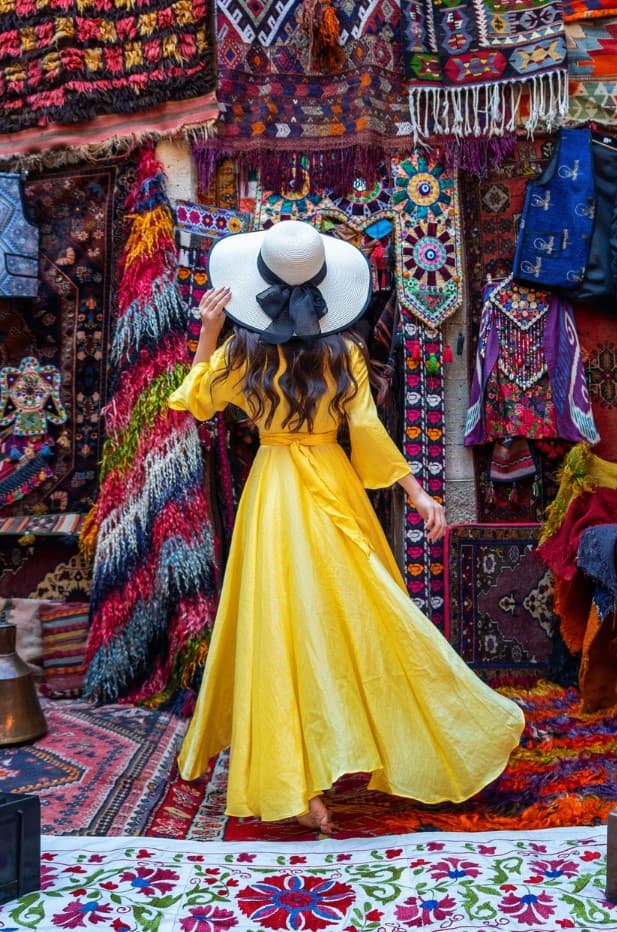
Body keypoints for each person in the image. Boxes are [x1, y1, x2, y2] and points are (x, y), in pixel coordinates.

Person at [169, 220, 525, 835]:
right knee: (363, 613)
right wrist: (417, 494)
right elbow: (367, 431)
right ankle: (431, 734)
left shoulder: (240, 352)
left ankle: (298, 779)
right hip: (332, 485)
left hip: (274, 492)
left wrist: (208, 331)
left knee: (281, 628)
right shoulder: (347, 352)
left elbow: (195, 399)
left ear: (257, 284)